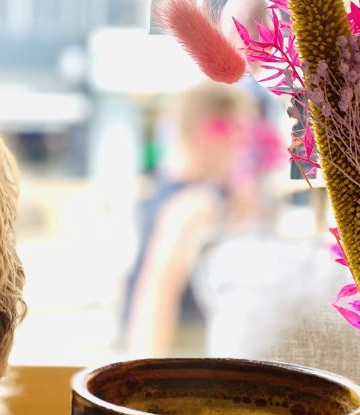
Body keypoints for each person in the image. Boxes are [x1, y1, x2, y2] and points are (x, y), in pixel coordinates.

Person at [122, 81, 284, 356]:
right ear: (206, 134)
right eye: (236, 134)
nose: (240, 148)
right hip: (182, 349)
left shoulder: (170, 186)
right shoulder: (197, 204)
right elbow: (157, 297)